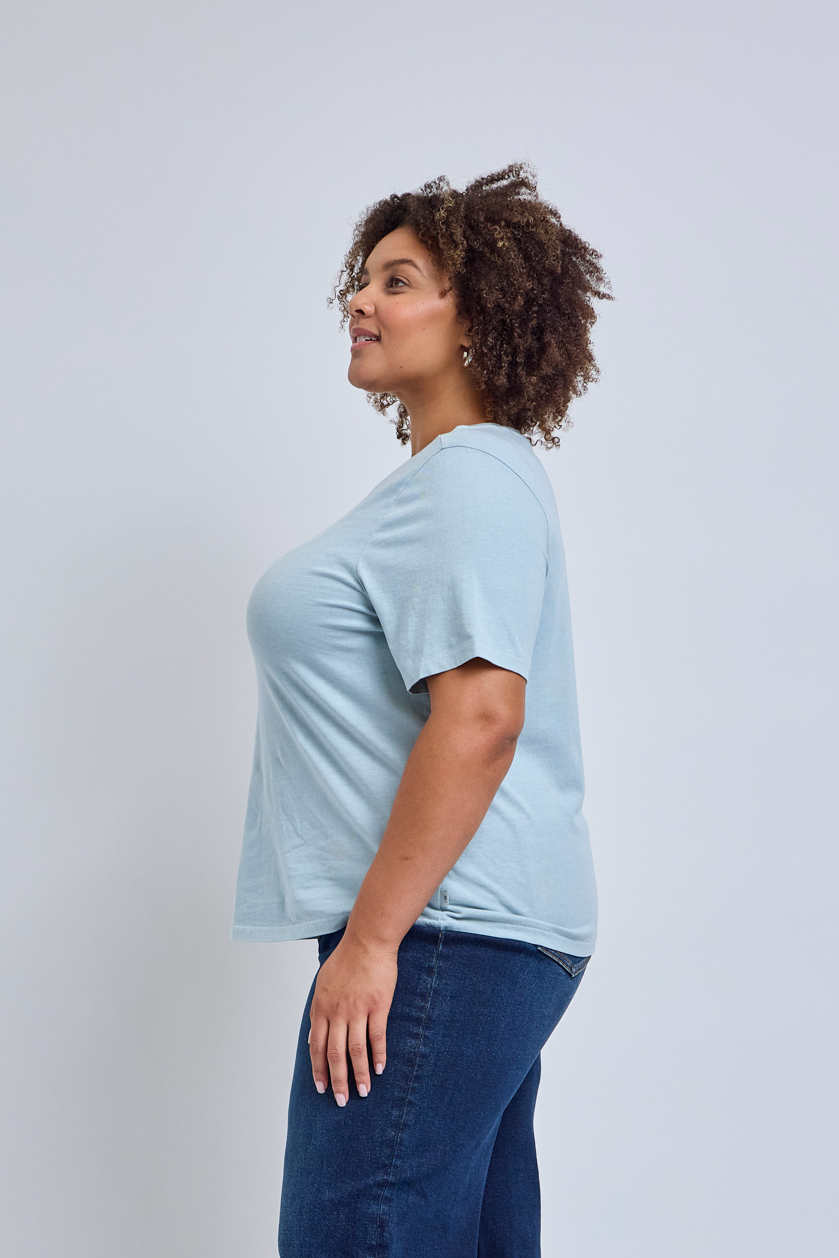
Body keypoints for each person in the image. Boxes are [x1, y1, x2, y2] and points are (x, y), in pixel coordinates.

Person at [231, 159, 613, 1257]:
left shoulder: (470, 479)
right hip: (471, 932)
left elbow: (482, 716)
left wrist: (371, 938)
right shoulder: (455, 482)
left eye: (399, 280)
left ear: (474, 317)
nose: (360, 299)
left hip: (445, 930)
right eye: (362, 277)